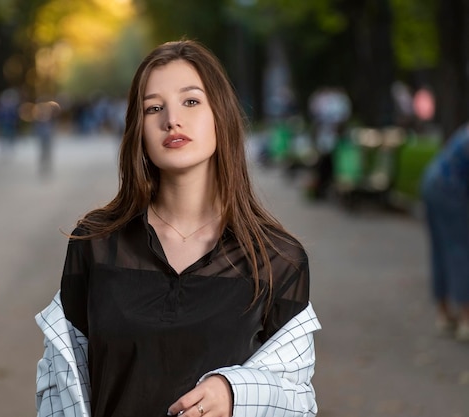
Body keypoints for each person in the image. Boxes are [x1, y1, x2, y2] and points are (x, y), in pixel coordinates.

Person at [35, 40, 322, 417]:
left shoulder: (278, 258)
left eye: (190, 101)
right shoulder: (96, 242)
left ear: (220, 114)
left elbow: (298, 397)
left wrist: (236, 392)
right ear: (138, 130)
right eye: (154, 108)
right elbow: (59, 383)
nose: (171, 119)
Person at [421, 123, 469, 342]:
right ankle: (466, 320)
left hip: (432, 183)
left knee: (442, 249)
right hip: (450, 190)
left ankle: (444, 313)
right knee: (460, 250)